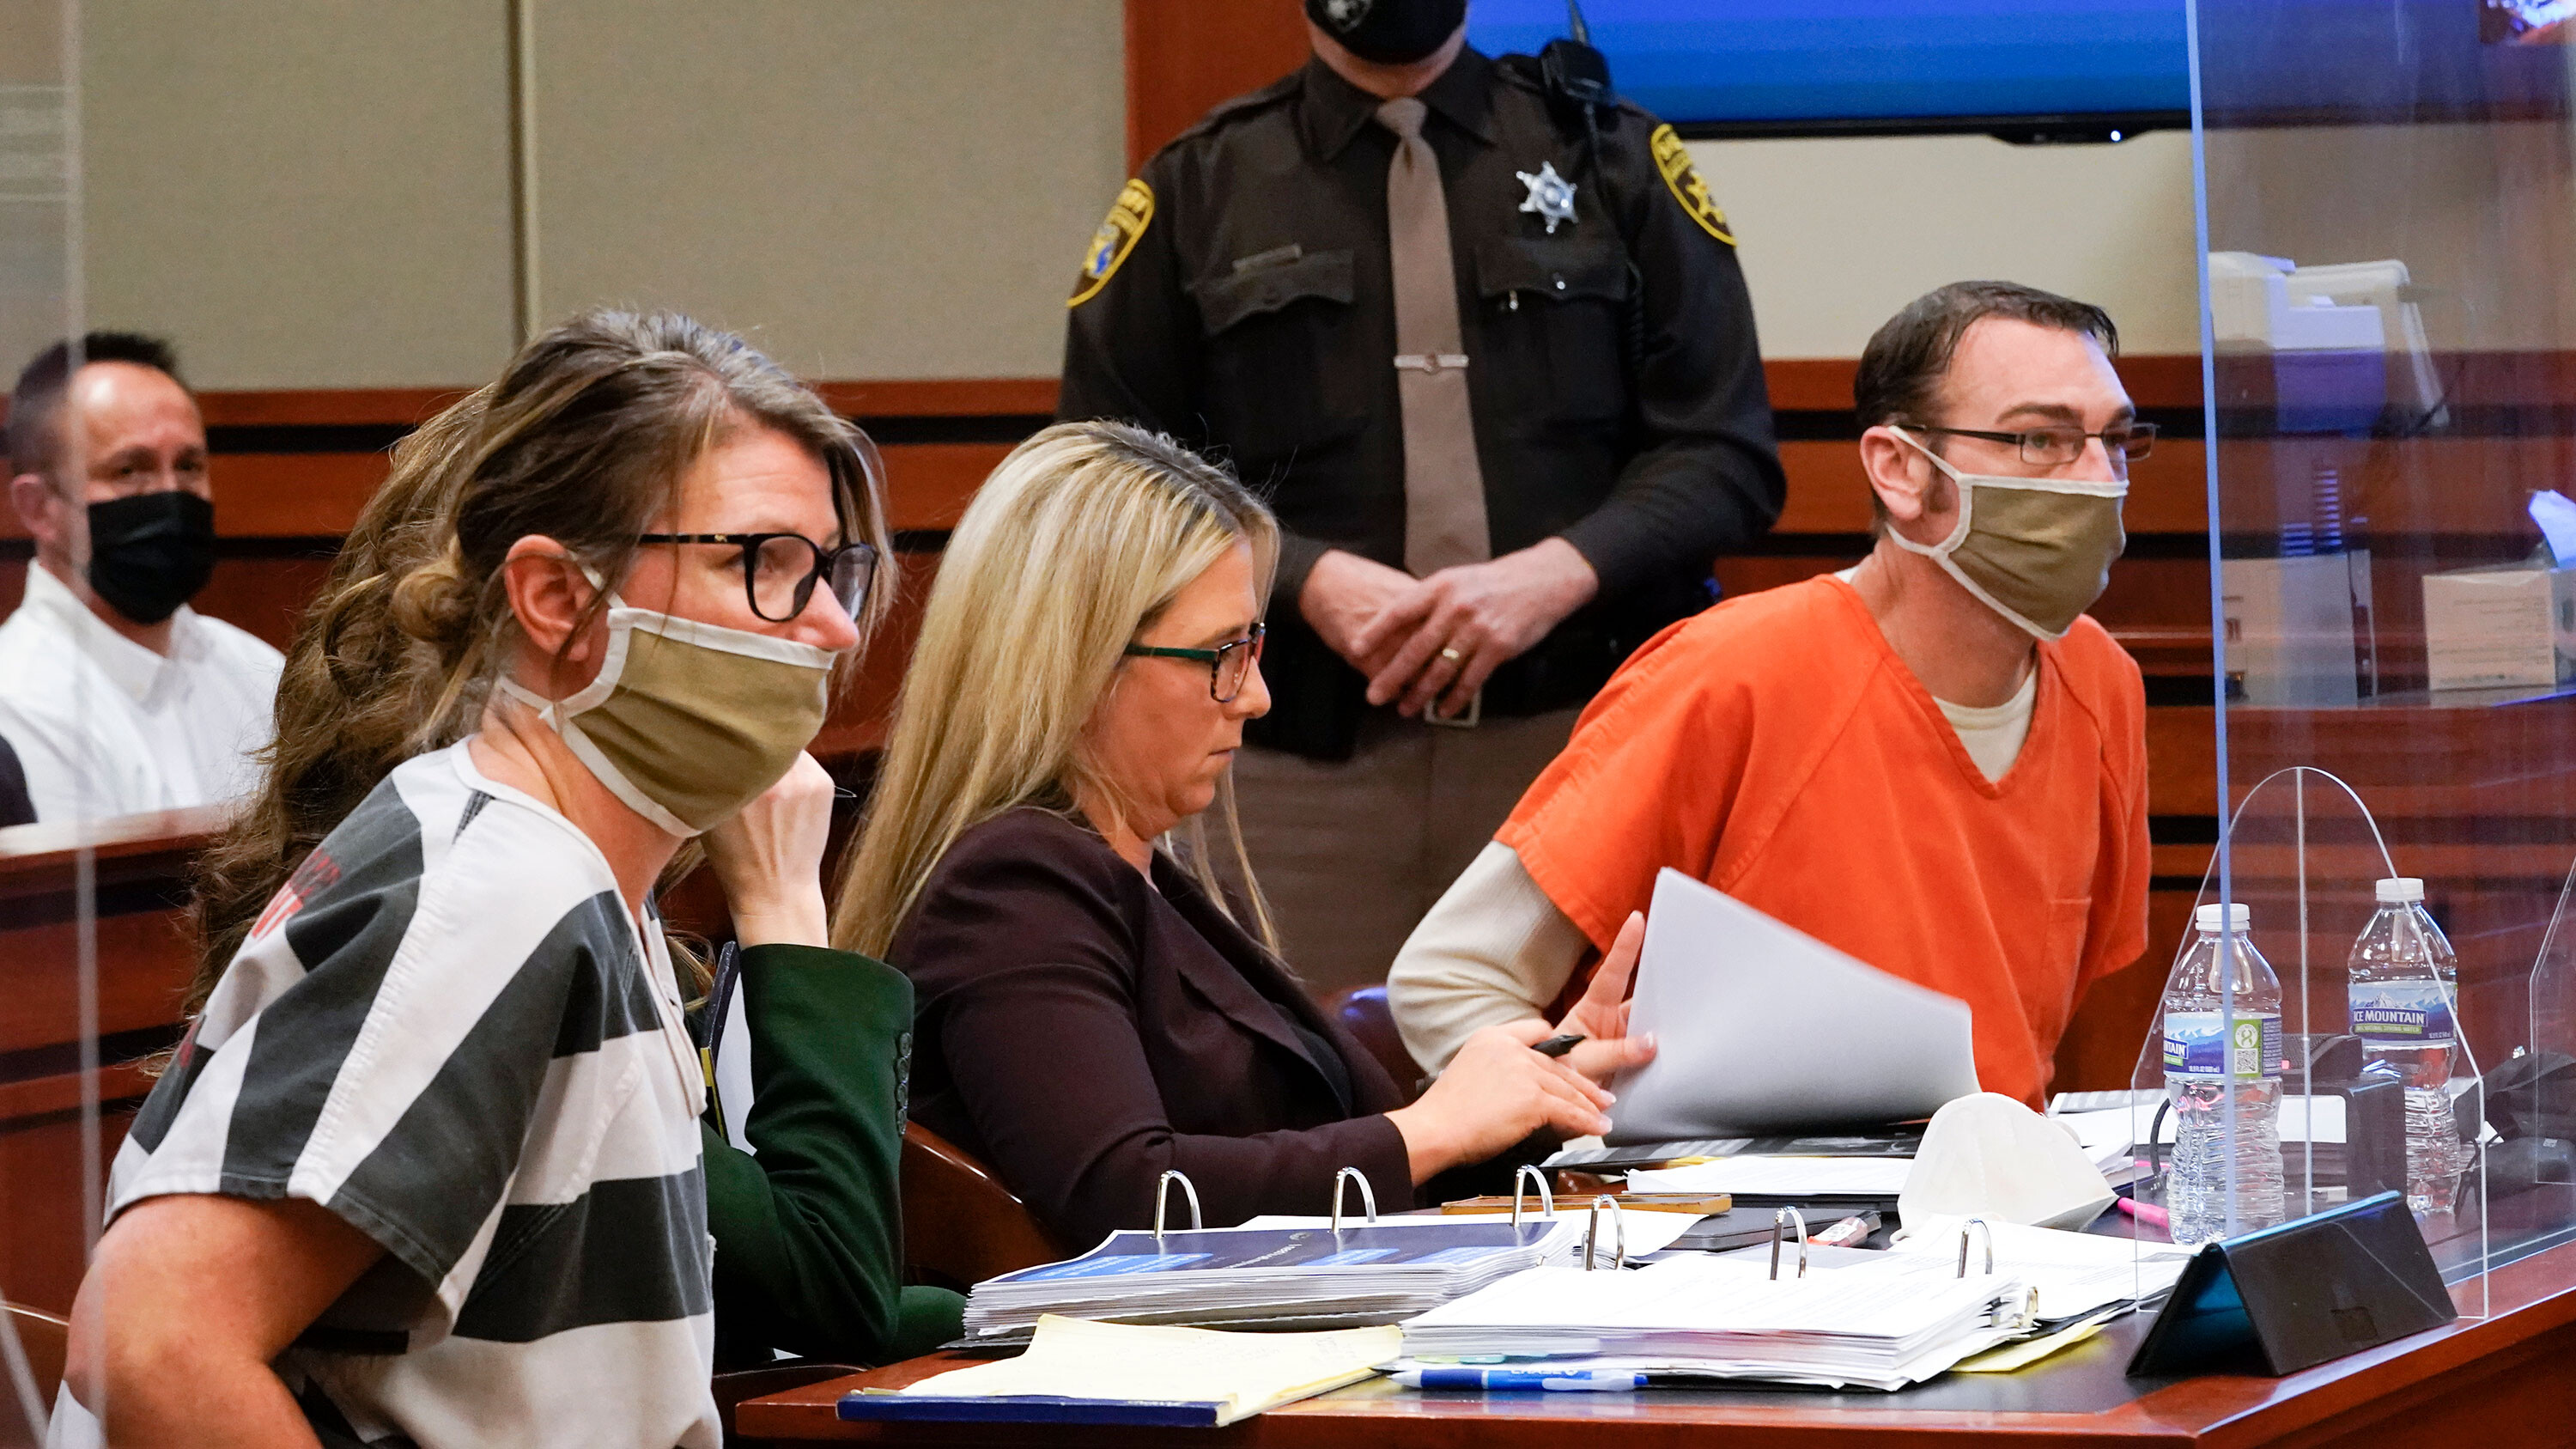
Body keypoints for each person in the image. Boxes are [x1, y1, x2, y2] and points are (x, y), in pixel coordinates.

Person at [52, 310, 943, 1448]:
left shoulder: (566, 880)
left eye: (836, 570)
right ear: (559, 599)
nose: (827, 625)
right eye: (762, 562)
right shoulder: (492, 886)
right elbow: (148, 1341)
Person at [1057, 0, 1785, 991]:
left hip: (1581, 738)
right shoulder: (1200, 187)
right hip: (1294, 765)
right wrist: (1299, 574)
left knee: (1608, 1097)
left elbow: (1726, 454)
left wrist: (1553, 575)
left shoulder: (1612, 159)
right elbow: (1107, 474)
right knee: (1286, 1100)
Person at [833, 420, 1654, 1251]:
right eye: (1224, 652)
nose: (1255, 696)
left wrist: (1530, 1101)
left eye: (1254, 646)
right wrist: (1432, 1127)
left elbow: (1333, 1163)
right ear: (1079, 661)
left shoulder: (1143, 874)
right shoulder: (1016, 883)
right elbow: (1125, 1194)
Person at [1388, 281, 2154, 1111]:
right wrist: (1579, 1119)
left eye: (2114, 441)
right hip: (1742, 1221)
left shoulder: (2104, 685)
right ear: (1900, 469)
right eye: (2040, 438)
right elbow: (1450, 979)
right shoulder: (1734, 672)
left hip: (1993, 1210)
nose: (2097, 479)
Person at [0, 332, 284, 823]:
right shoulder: (17, 700)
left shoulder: (260, 673)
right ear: (38, 507)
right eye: (130, 470)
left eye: (190, 466)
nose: (172, 497)